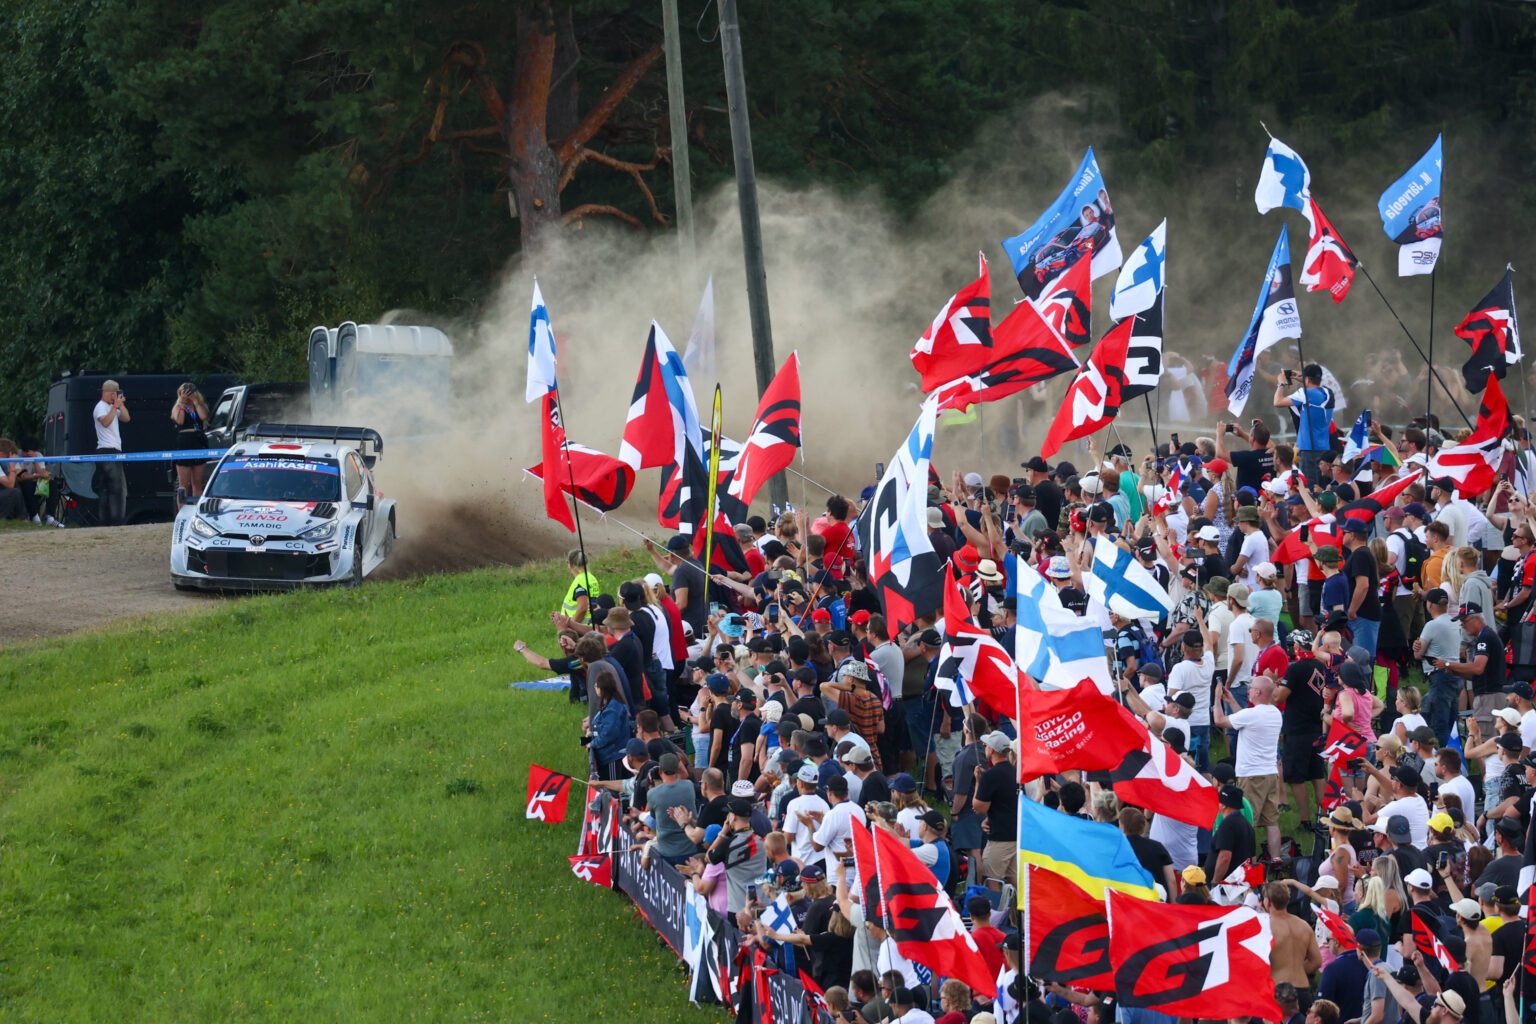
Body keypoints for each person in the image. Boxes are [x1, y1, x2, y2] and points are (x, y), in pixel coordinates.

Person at [1213, 675, 1283, 856]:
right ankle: (1275, 860)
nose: (1248, 691)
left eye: (1251, 688)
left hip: (1252, 776)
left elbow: (1220, 721)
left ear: (1258, 692)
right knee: (1272, 822)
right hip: (1270, 774)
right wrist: (1232, 701)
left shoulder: (1251, 715)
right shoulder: (1274, 713)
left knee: (1247, 821)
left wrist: (1216, 698)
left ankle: (1247, 862)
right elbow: (1243, 719)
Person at [1274, 363, 1336, 486]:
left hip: (1309, 450)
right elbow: (1312, 383)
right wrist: (1300, 376)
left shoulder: (1304, 394)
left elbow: (1277, 402)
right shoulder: (1329, 393)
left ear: (1306, 379)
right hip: (1325, 449)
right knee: (1323, 487)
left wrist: (1281, 383)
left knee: (1310, 489)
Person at [970, 732, 1018, 891]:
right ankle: (1020, 915)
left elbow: (978, 807)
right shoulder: (1015, 772)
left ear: (991, 750)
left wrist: (978, 781)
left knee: (991, 878)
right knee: (1014, 881)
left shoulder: (991, 776)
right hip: (1017, 835)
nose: (984, 748)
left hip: (1000, 838)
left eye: (986, 746)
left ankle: (996, 914)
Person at [1342, 519, 1383, 659]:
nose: (1342, 535)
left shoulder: (1360, 554)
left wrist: (1352, 609)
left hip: (1363, 613)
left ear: (1352, 535)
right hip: (1364, 613)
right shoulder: (1362, 553)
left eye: (1344, 532)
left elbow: (1363, 585)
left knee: (1363, 659)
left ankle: (1368, 681)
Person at [92, 379, 130, 525]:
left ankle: (108, 519)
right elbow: (105, 422)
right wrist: (115, 406)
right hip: (106, 450)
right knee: (116, 487)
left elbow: (126, 418)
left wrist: (121, 404)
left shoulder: (112, 407)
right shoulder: (101, 407)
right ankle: (115, 520)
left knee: (107, 488)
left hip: (114, 450)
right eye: (115, 394)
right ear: (109, 393)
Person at [170, 382, 211, 501]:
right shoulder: (177, 407)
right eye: (184, 391)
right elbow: (180, 421)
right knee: (183, 485)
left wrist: (196, 401)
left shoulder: (199, 404)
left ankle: (195, 510)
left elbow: (203, 417)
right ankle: (182, 512)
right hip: (184, 442)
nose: (187, 393)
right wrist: (182, 402)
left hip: (198, 440)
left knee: (198, 483)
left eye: (189, 391)